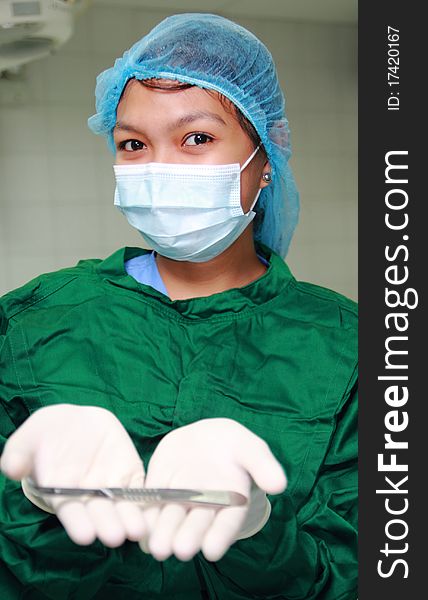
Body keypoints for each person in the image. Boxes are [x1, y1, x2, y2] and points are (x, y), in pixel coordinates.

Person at [0, 12, 357, 600]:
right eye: (134, 144)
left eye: (197, 138)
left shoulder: (350, 347)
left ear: (266, 157)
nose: (161, 168)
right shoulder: (31, 322)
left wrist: (260, 529)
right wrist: (33, 498)